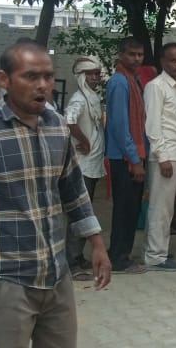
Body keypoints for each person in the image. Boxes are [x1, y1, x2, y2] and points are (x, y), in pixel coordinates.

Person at [0, 40, 111, 346]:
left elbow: (74, 191)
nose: (43, 85)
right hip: (4, 279)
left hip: (56, 274)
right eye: (31, 77)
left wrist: (97, 244)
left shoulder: (58, 127)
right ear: (4, 80)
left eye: (47, 76)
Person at [142, 43, 176, 272]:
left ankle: (159, 249)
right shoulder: (156, 87)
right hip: (166, 154)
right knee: (160, 208)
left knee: (167, 208)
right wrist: (162, 157)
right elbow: (152, 125)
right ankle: (154, 255)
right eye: (173, 60)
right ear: (162, 61)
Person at [104, 37, 149, 274]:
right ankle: (119, 258)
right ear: (121, 55)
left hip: (131, 154)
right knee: (125, 209)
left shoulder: (133, 80)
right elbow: (120, 126)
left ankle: (122, 254)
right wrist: (134, 159)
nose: (136, 59)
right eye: (132, 54)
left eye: (140, 54)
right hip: (123, 157)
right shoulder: (120, 82)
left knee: (130, 208)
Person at [64, 56, 105, 281]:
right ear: (81, 76)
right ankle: (71, 261)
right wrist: (83, 140)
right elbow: (69, 120)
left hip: (93, 163)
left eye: (97, 74)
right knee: (78, 213)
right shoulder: (79, 98)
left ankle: (77, 256)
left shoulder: (92, 97)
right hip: (82, 163)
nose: (95, 78)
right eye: (90, 74)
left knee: (85, 211)